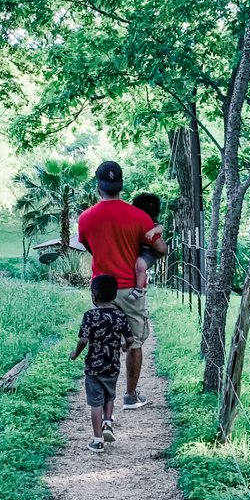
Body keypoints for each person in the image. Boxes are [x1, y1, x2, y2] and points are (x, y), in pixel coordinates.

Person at [77, 160, 167, 409]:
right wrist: (143, 256)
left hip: (101, 290)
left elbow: (90, 248)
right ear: (121, 186)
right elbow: (161, 249)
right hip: (130, 290)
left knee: (104, 340)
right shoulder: (138, 216)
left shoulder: (85, 218)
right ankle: (130, 395)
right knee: (135, 342)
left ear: (98, 186)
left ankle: (105, 396)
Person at [70, 273, 132, 453]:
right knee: (109, 395)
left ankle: (97, 440)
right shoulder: (120, 316)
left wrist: (75, 354)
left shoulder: (90, 316)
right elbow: (130, 338)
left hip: (93, 367)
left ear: (93, 296)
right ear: (114, 296)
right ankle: (108, 423)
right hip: (112, 365)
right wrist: (124, 347)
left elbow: (83, 340)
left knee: (95, 402)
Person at [129, 192, 164, 298]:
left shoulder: (152, 222)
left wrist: (153, 231)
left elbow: (160, 227)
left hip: (148, 251)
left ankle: (139, 289)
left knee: (140, 265)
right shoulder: (136, 220)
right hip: (140, 250)